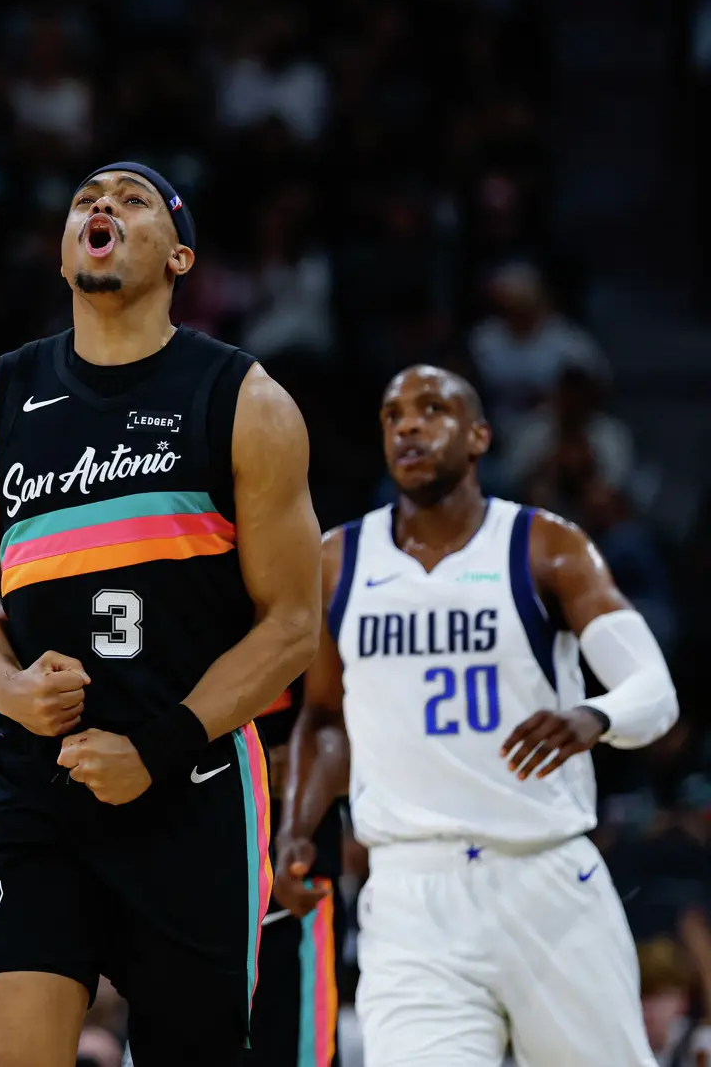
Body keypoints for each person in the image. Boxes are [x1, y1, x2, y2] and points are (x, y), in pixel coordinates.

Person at [0, 162, 321, 1067]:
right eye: (82, 200)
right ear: (66, 251)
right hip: (32, 786)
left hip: (189, 790)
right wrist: (9, 687)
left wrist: (158, 746)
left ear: (180, 255)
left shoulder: (247, 402)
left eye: (132, 198)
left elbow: (292, 625)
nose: (99, 205)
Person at [274, 364, 679, 1067]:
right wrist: (297, 828)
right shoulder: (338, 561)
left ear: (479, 436)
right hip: (409, 893)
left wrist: (593, 716)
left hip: (545, 878)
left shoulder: (545, 546)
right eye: (393, 415)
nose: (408, 426)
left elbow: (653, 689)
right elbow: (326, 718)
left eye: (432, 409)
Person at [248, 678, 345, 1067]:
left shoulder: (317, 628)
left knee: (299, 1051)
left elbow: (337, 726)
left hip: (293, 877)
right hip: (195, 872)